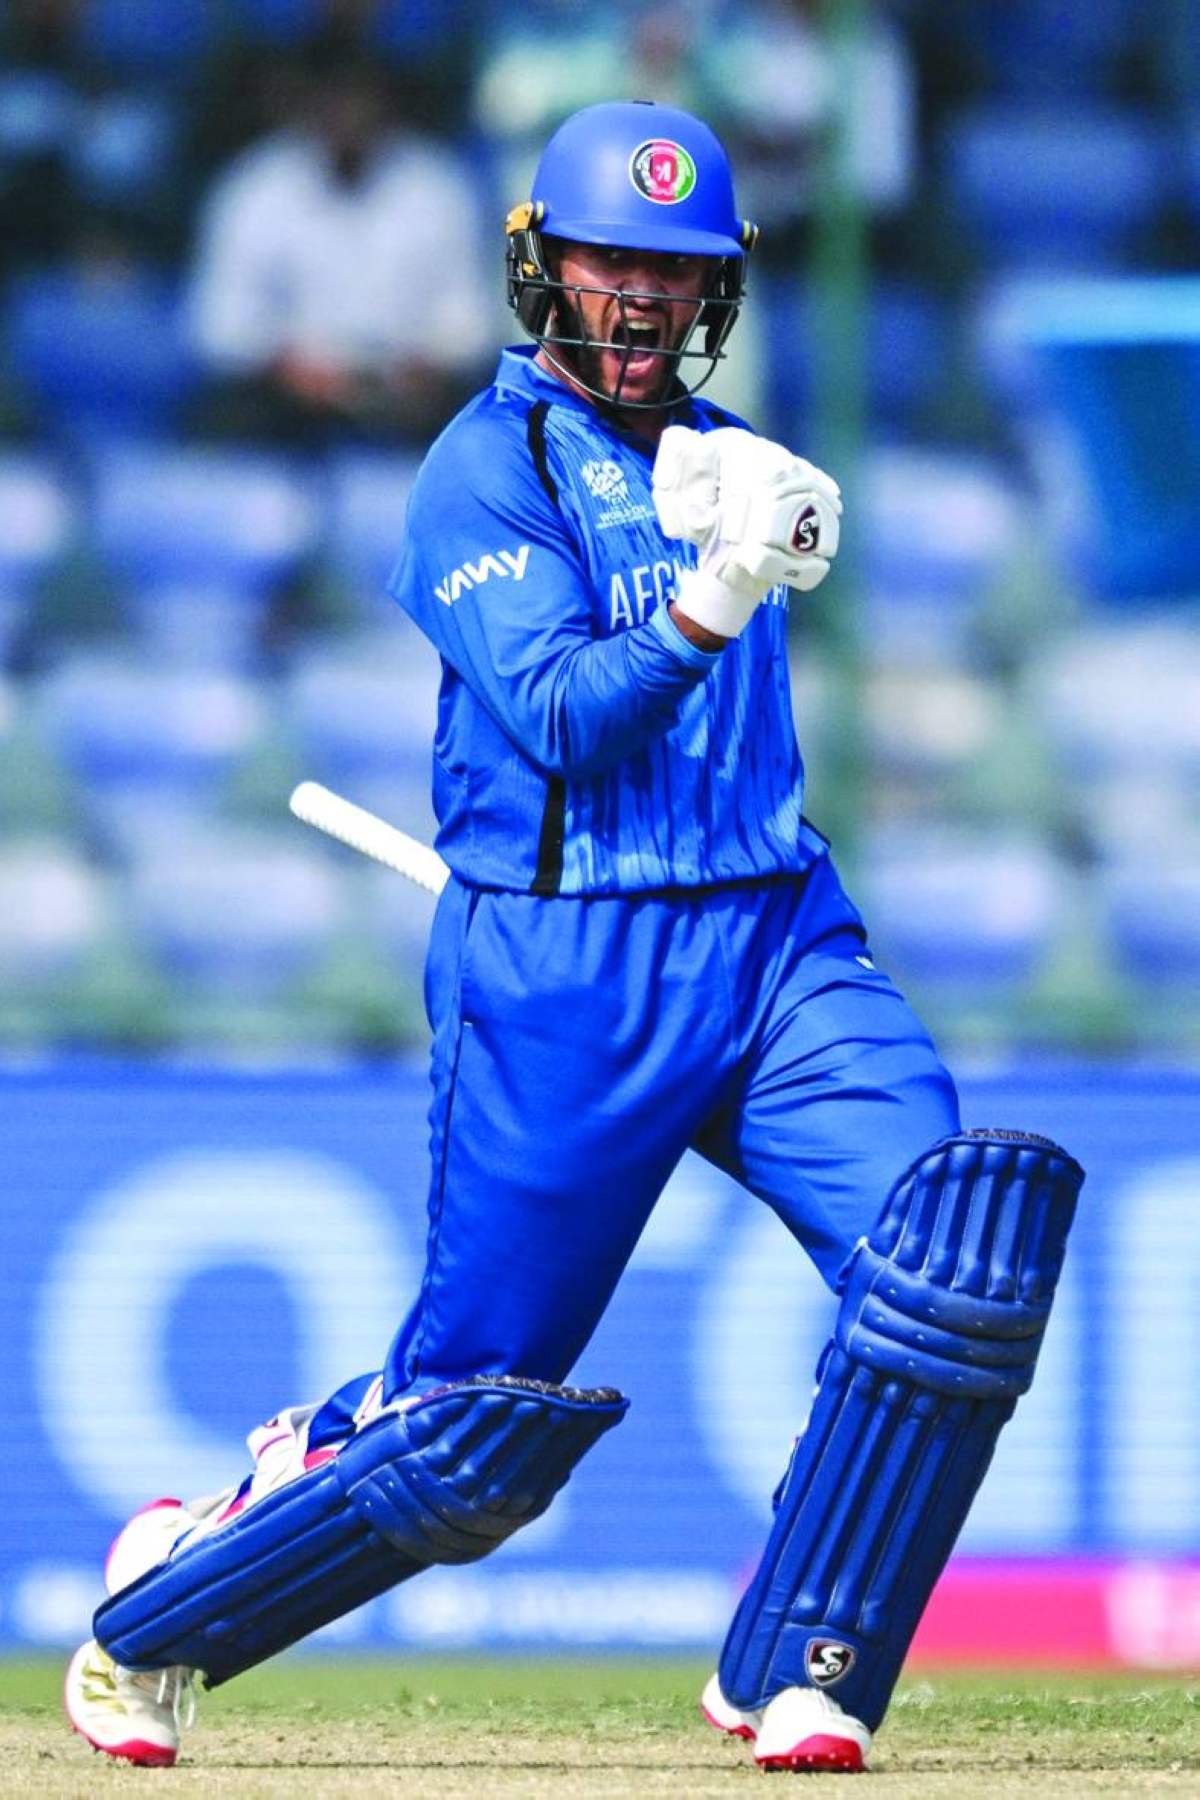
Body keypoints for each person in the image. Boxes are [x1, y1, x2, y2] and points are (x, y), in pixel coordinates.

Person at [64, 99, 1083, 1775]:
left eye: (674, 276)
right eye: (611, 263)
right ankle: (153, 1622)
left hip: (776, 940)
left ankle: (803, 1663)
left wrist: (733, 558)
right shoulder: (486, 468)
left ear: (716, 297)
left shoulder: (733, 457)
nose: (640, 303)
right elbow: (556, 717)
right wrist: (716, 598)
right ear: (547, 269)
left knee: (951, 1271)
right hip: (565, 981)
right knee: (465, 1441)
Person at [182, 34, 501, 448]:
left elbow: (471, 322)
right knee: (219, 422)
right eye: (334, 100)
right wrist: (288, 366)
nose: (348, 115)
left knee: (484, 428)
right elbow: (219, 326)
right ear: (307, 105)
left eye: (360, 100)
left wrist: (424, 364)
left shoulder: (437, 186)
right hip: (288, 395)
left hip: (405, 390)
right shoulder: (253, 187)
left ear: (386, 104)